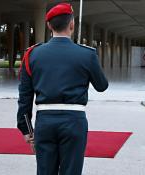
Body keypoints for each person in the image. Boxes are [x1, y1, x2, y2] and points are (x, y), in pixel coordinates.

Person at [17, 3, 108, 175]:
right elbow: (102, 86)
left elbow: (24, 98)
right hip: (74, 122)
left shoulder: (32, 54)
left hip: (45, 122)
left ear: (49, 26)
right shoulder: (87, 54)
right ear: (72, 24)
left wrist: (26, 129)